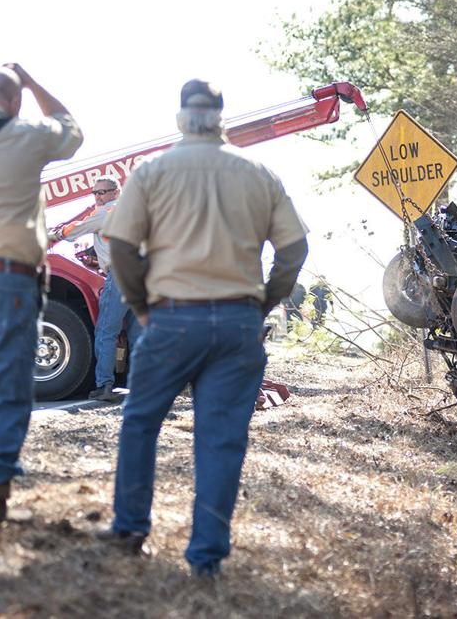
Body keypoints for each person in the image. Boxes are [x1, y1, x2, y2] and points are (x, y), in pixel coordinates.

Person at [100, 79, 308, 576]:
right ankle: (206, 559)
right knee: (221, 439)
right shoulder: (258, 173)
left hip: (170, 318)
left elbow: (120, 245)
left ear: (180, 118)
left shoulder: (152, 172)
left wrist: (139, 305)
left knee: (141, 421)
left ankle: (130, 529)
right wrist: (265, 302)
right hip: (237, 321)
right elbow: (294, 248)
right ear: (221, 118)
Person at [0, 63, 83, 522]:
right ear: (15, 102)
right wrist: (31, 82)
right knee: (11, 381)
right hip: (11, 278)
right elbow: (71, 130)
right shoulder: (28, 136)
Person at [49, 175, 128, 402]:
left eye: (102, 192)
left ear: (115, 192)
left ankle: (104, 386)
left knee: (106, 331)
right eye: (95, 193)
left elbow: (76, 229)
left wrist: (54, 234)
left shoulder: (107, 212)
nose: (98, 197)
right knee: (137, 331)